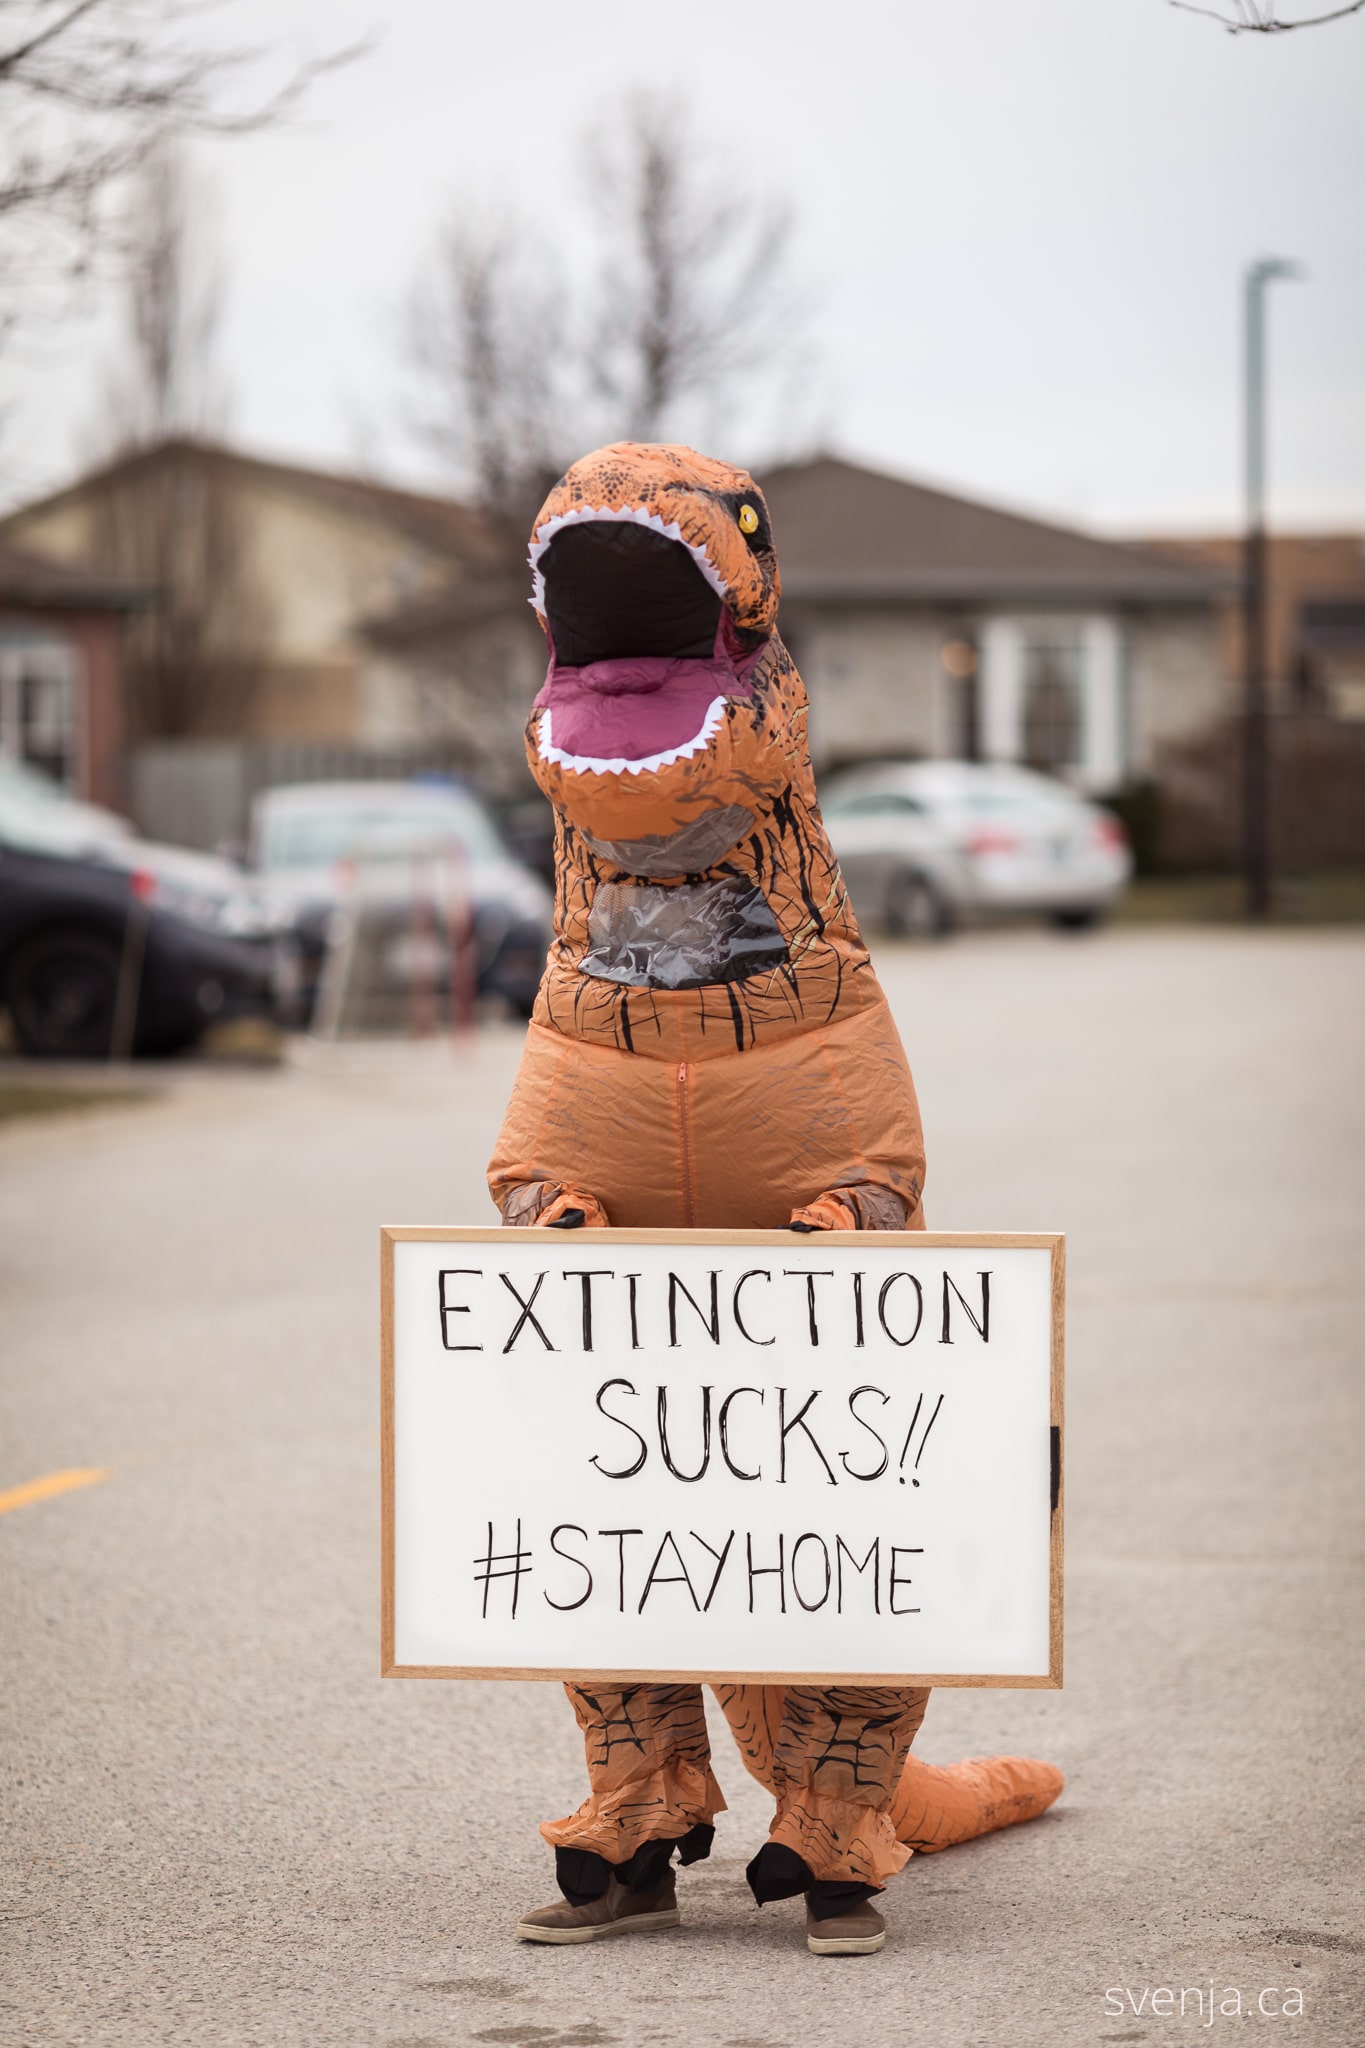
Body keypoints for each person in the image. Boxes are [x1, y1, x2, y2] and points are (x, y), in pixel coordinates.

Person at [489, 442, 1061, 1956]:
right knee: (588, 1480)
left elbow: (878, 1167)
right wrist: (542, 1208)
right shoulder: (562, 960)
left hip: (798, 1046)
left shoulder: (769, 752)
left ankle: (846, 1813)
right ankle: (638, 1795)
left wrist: (858, 1213)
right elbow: (526, 1168)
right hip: (590, 1040)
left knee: (871, 1467)